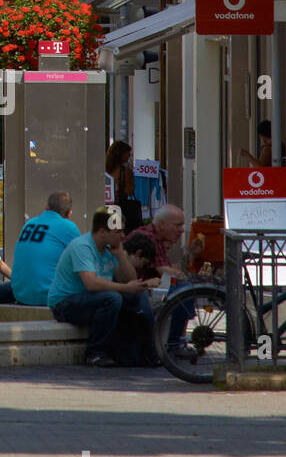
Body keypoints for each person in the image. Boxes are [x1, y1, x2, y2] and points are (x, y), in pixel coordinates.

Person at [49, 209, 160, 367]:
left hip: (93, 299)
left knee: (137, 295)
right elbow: (91, 283)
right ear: (102, 231)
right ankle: (94, 353)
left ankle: (149, 352)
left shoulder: (110, 249)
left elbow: (130, 279)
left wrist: (121, 255)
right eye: (118, 231)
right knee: (113, 297)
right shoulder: (82, 247)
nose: (123, 236)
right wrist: (126, 288)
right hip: (64, 304)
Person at [124, 205, 202, 356]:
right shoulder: (149, 237)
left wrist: (190, 254)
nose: (181, 230)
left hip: (148, 287)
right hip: (137, 288)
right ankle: (175, 343)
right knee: (182, 290)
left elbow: (169, 270)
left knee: (182, 287)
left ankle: (175, 340)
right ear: (161, 224)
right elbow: (167, 272)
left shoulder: (157, 238)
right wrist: (186, 275)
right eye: (177, 225)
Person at [10, 192, 81, 306]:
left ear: (46, 207)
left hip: (20, 295)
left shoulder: (29, 223)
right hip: (48, 297)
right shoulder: (69, 227)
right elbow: (83, 263)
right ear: (69, 213)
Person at [105, 140, 141, 233]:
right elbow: (130, 190)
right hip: (120, 208)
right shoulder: (126, 171)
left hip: (104, 207)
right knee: (116, 233)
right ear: (121, 154)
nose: (129, 156)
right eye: (128, 153)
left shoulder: (104, 169)